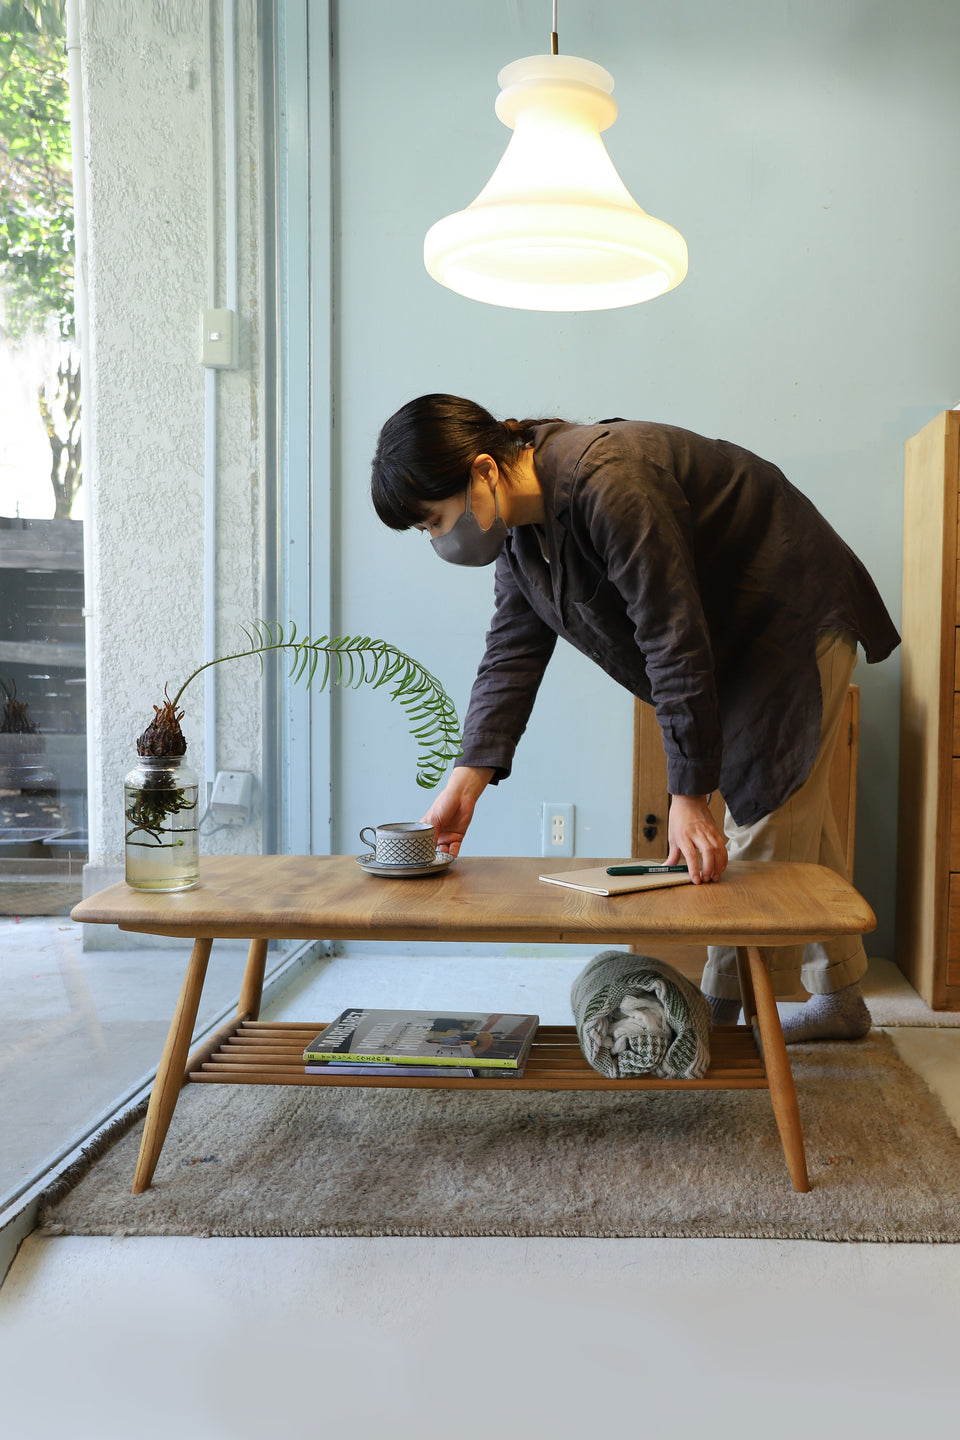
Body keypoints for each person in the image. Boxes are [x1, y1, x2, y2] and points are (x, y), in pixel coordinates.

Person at [370, 394, 900, 1042]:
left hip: (786, 618)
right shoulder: (521, 541)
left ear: (484, 470)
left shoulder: (609, 480)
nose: (438, 538)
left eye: (434, 519)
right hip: (728, 639)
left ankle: (712, 1024)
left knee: (763, 829)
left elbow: (670, 636)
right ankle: (842, 1000)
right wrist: (466, 778)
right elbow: (510, 656)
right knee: (794, 816)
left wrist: (688, 795)